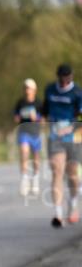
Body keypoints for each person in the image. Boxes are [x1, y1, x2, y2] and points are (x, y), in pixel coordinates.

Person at [41, 64, 80, 227]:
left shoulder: (78, 93)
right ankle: (57, 213)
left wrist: (70, 127)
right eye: (62, 79)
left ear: (71, 77)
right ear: (58, 77)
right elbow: (44, 111)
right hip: (55, 137)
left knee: (73, 176)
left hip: (74, 138)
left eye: (67, 79)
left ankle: (72, 204)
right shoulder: (50, 90)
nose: (64, 82)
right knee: (57, 171)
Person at [14, 79, 43, 197]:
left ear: (34, 90)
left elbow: (43, 120)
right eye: (25, 88)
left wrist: (36, 118)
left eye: (29, 88)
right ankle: (24, 180)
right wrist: (19, 117)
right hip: (23, 132)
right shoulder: (20, 103)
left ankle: (35, 180)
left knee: (36, 157)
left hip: (35, 133)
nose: (27, 90)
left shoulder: (39, 103)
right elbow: (15, 117)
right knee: (24, 153)